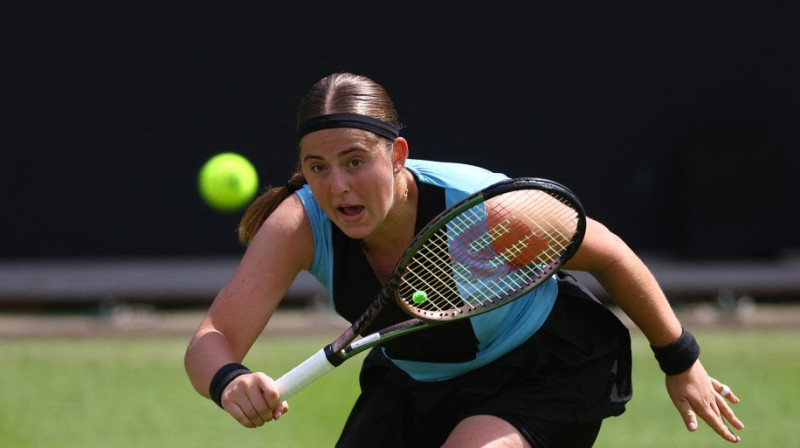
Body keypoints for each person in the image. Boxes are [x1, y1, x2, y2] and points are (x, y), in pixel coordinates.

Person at [184, 72, 744, 447]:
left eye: (356, 162)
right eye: (318, 167)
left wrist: (681, 359)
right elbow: (213, 337)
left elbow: (611, 256)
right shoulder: (298, 224)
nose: (338, 187)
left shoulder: (490, 211)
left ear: (397, 155)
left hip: (540, 367)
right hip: (414, 381)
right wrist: (230, 380)